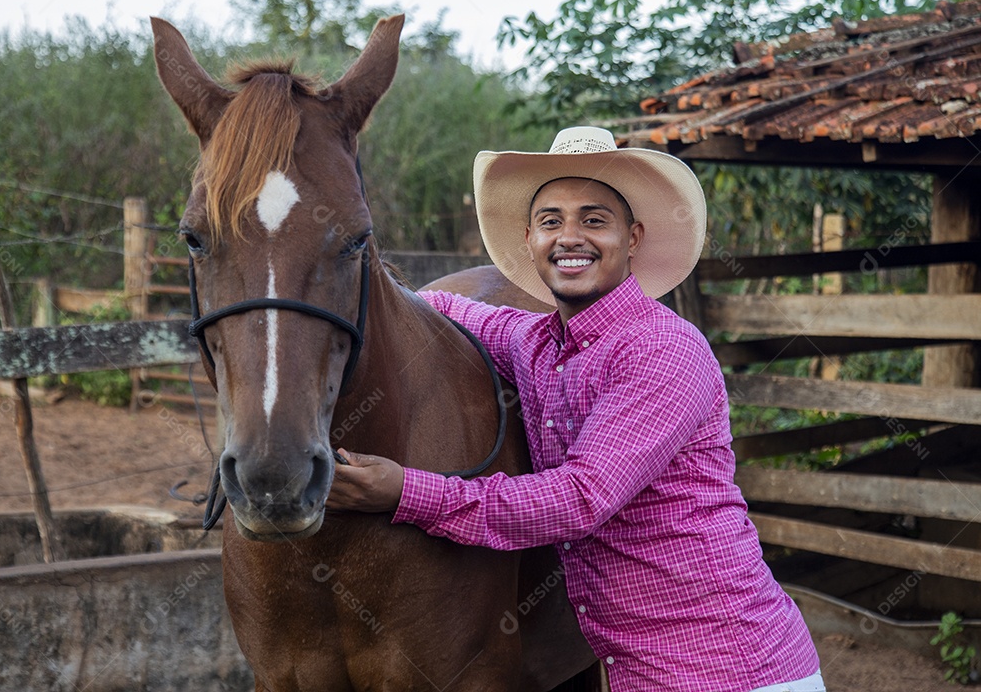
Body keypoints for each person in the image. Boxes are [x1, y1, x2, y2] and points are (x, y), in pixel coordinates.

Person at [327, 127, 823, 692]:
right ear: (530, 238)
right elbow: (440, 308)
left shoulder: (664, 350)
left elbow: (580, 499)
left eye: (593, 220)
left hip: (727, 666)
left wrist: (405, 491)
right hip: (640, 672)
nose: (570, 238)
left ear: (632, 237)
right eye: (551, 221)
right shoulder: (536, 343)